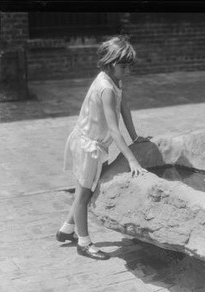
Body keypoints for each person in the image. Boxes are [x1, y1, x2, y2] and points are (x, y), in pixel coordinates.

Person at [57, 35, 149, 260]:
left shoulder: (115, 80)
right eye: (124, 66)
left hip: (99, 145)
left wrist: (135, 137)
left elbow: (124, 107)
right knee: (83, 194)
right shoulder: (105, 87)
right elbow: (114, 129)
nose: (127, 71)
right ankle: (84, 243)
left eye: (130, 66)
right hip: (89, 146)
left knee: (89, 189)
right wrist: (132, 160)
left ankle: (66, 229)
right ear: (110, 63)